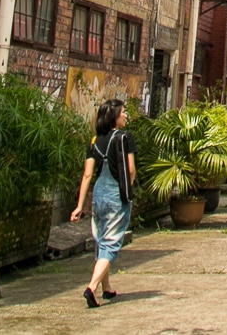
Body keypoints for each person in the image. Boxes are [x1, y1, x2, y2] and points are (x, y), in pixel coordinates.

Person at [71, 100, 136, 308]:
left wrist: (80, 205)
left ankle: (106, 287)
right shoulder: (125, 138)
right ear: (114, 117)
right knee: (111, 241)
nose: (126, 116)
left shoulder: (95, 141)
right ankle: (92, 287)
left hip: (98, 193)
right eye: (123, 113)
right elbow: (131, 170)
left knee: (101, 239)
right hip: (116, 192)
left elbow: (88, 174)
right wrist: (127, 190)